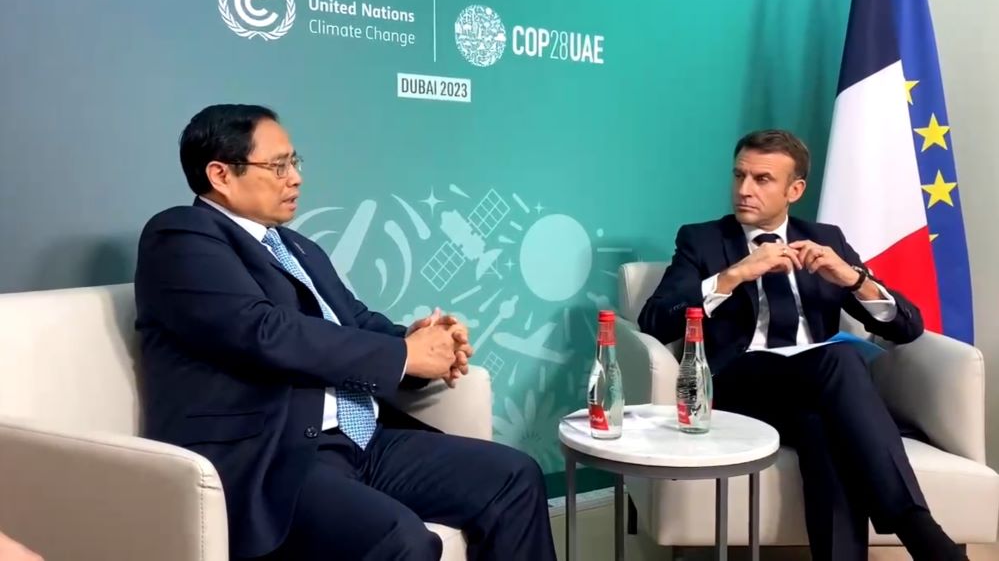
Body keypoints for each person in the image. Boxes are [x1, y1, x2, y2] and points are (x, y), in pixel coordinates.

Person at [134, 104, 557, 560]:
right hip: (275, 461)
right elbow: (265, 332)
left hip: (364, 442)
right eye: (278, 166)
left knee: (514, 477)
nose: (296, 178)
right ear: (220, 174)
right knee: (402, 540)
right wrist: (404, 356)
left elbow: (355, 321)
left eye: (295, 162)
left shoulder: (297, 247)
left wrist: (422, 343)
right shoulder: (181, 236)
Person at [638, 129, 966, 561]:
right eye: (739, 175)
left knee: (821, 426)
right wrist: (734, 275)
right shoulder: (702, 240)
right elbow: (654, 320)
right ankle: (917, 528)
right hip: (738, 384)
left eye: (762, 179)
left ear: (795, 190)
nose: (744, 189)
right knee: (841, 357)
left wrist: (853, 279)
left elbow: (908, 327)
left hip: (815, 390)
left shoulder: (826, 239)